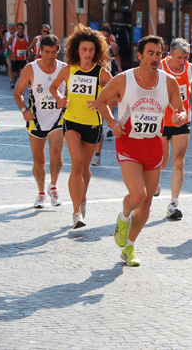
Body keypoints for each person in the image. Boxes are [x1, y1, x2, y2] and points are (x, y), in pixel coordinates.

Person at [96, 35, 186, 266]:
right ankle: (123, 217)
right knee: (139, 196)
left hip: (153, 146)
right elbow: (101, 101)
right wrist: (112, 123)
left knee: (146, 204)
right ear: (139, 55)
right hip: (128, 144)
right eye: (150, 53)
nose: (155, 58)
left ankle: (129, 246)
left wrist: (179, 117)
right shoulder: (123, 80)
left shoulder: (168, 82)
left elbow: (180, 109)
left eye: (159, 53)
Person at [49, 24, 112, 229]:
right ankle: (76, 213)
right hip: (71, 121)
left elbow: (117, 96)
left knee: (84, 168)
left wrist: (102, 103)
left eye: (91, 50)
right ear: (77, 49)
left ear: (97, 51)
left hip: (93, 125)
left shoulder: (101, 73)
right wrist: (59, 98)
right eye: (84, 49)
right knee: (76, 165)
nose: (87, 53)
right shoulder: (68, 70)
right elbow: (53, 86)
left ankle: (81, 199)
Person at [13, 33, 66, 208]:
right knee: (39, 161)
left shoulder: (64, 68)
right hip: (35, 119)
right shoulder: (31, 68)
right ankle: (41, 193)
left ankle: (54, 186)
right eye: (46, 52)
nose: (50, 56)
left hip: (58, 118)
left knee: (57, 156)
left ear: (58, 51)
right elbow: (18, 92)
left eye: (53, 52)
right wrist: (24, 110)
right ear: (40, 51)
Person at [158, 38, 192, 219]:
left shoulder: (189, 68)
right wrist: (171, 106)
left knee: (179, 161)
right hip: (162, 121)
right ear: (170, 54)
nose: (182, 61)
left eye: (185, 57)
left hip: (182, 120)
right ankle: (154, 182)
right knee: (163, 161)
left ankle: (174, 204)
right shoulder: (160, 67)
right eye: (179, 58)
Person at [91, 26, 123, 167]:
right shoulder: (93, 49)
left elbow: (116, 58)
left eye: (105, 36)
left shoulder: (113, 47)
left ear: (109, 36)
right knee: (94, 124)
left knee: (108, 104)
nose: (103, 38)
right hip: (95, 83)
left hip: (109, 78)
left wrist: (119, 67)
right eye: (101, 35)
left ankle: (97, 154)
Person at [5, 22, 28, 89]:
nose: (20, 30)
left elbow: (27, 47)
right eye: (19, 29)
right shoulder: (13, 37)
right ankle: (14, 80)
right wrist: (11, 54)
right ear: (17, 29)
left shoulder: (26, 37)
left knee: (22, 73)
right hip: (15, 58)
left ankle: (19, 87)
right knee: (15, 74)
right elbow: (6, 45)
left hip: (23, 58)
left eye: (22, 29)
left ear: (24, 29)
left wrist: (28, 53)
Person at [3, 23, 16, 87]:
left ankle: (14, 79)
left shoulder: (16, 35)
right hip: (8, 52)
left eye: (12, 29)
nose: (11, 30)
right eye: (10, 29)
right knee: (9, 66)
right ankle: (11, 80)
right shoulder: (6, 34)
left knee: (14, 67)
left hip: (14, 52)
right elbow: (4, 42)